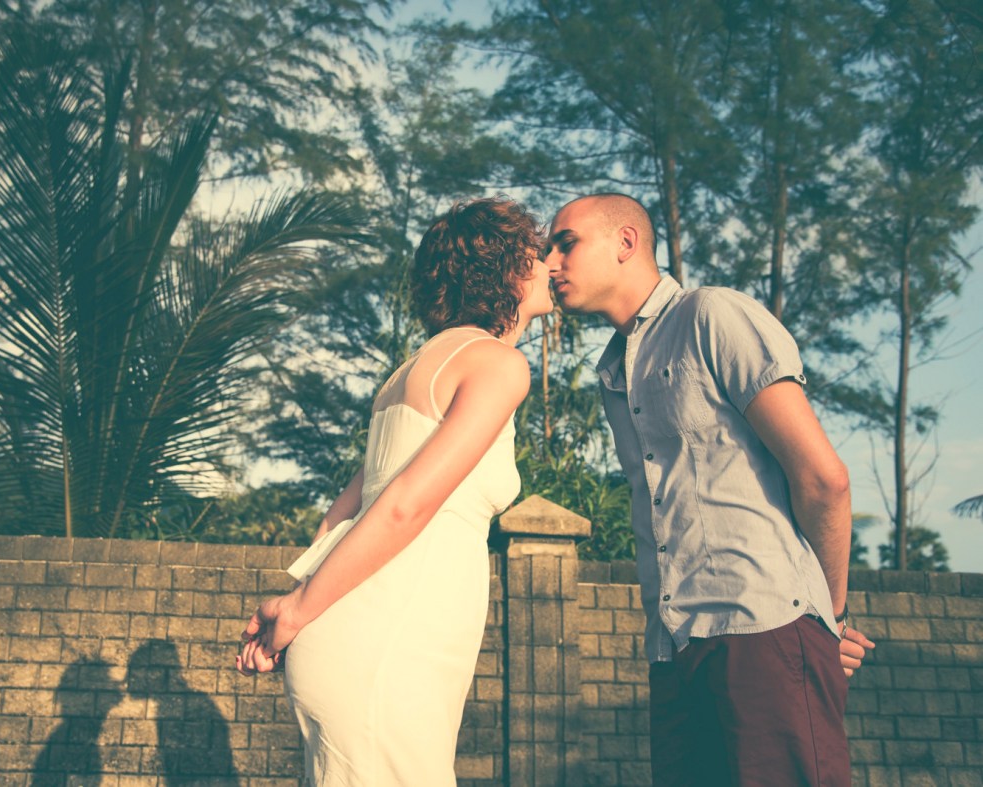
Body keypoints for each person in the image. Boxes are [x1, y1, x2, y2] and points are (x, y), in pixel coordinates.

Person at [543, 193, 876, 785]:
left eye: (565, 242)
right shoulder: (615, 372)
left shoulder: (712, 315)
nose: (549, 261)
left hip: (764, 634)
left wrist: (831, 620)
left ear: (626, 243)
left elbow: (824, 479)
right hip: (674, 652)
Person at [235, 196, 553, 785]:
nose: (548, 259)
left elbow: (342, 515)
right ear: (507, 269)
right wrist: (298, 611)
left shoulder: (409, 371)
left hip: (361, 639)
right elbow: (405, 504)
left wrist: (298, 609)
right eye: (536, 249)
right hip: (390, 647)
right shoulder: (497, 364)